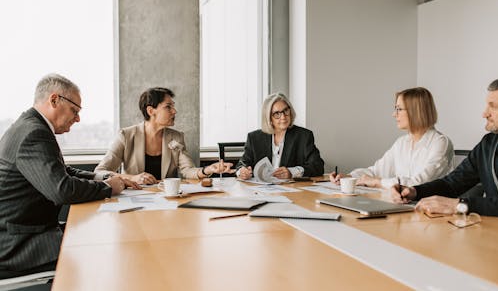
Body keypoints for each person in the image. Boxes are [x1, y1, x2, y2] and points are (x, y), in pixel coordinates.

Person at [0, 74, 133, 278]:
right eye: (75, 110)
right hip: (19, 243)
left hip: (27, 229)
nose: (78, 118)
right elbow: (61, 190)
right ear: (54, 100)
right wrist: (109, 188)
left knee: (97, 236)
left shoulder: (31, 126)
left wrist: (103, 177)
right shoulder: (33, 133)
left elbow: (64, 171)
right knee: (106, 252)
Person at [392, 79, 498, 217]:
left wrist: (459, 204)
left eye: (494, 107)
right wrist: (414, 191)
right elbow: (452, 184)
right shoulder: (488, 144)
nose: (484, 114)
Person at [95, 87, 232, 184]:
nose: (174, 111)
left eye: (173, 106)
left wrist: (207, 169)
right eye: (168, 107)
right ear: (150, 111)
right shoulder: (126, 136)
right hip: (132, 200)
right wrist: (132, 178)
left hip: (166, 200)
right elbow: (100, 172)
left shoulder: (176, 137)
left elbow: (187, 170)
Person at [330, 87, 454, 189]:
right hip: (402, 205)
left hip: (429, 211)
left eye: (399, 109)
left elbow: (419, 183)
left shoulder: (440, 143)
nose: (394, 114)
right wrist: (349, 177)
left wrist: (378, 182)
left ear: (416, 111)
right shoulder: (402, 143)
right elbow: (376, 172)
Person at [236, 92, 324, 180]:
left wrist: (292, 172)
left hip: (292, 190)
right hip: (260, 191)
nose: (283, 117)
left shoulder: (304, 136)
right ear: (268, 118)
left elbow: (318, 166)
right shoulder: (254, 138)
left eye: (285, 110)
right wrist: (241, 171)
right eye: (277, 114)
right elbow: (243, 163)